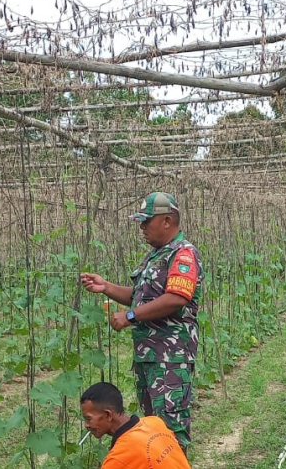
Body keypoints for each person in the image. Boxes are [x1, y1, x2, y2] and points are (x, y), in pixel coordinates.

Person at [80, 191, 203, 453]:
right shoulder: (154, 256)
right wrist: (106, 287)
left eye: (147, 221)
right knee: (153, 431)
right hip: (149, 358)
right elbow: (139, 299)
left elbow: (176, 298)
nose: (142, 228)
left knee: (170, 433)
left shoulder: (182, 254)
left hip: (169, 359)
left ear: (167, 221)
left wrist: (130, 317)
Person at [80, 382, 192, 469]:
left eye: (88, 419)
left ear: (108, 415)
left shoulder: (117, 459)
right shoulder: (154, 422)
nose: (86, 425)